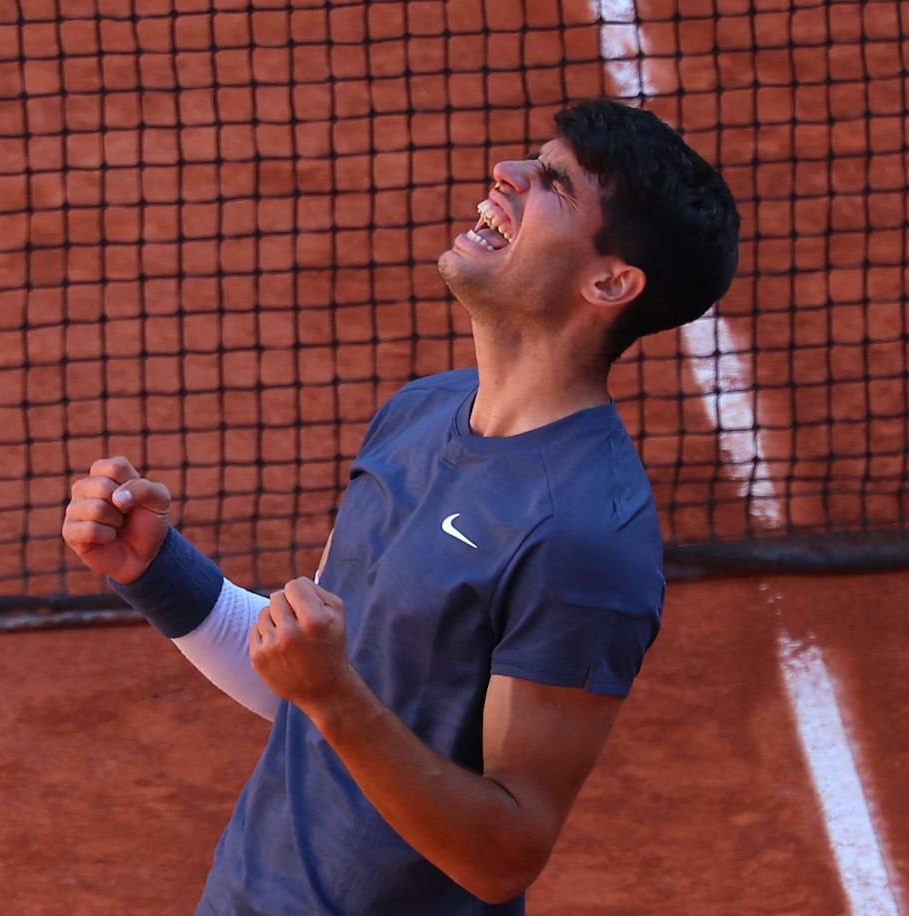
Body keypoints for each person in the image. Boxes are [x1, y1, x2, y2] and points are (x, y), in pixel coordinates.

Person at [62, 99, 739, 914]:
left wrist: (334, 696)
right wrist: (157, 571)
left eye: (553, 183)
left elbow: (506, 854)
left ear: (610, 281)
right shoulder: (419, 413)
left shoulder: (586, 534)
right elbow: (307, 685)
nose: (509, 175)